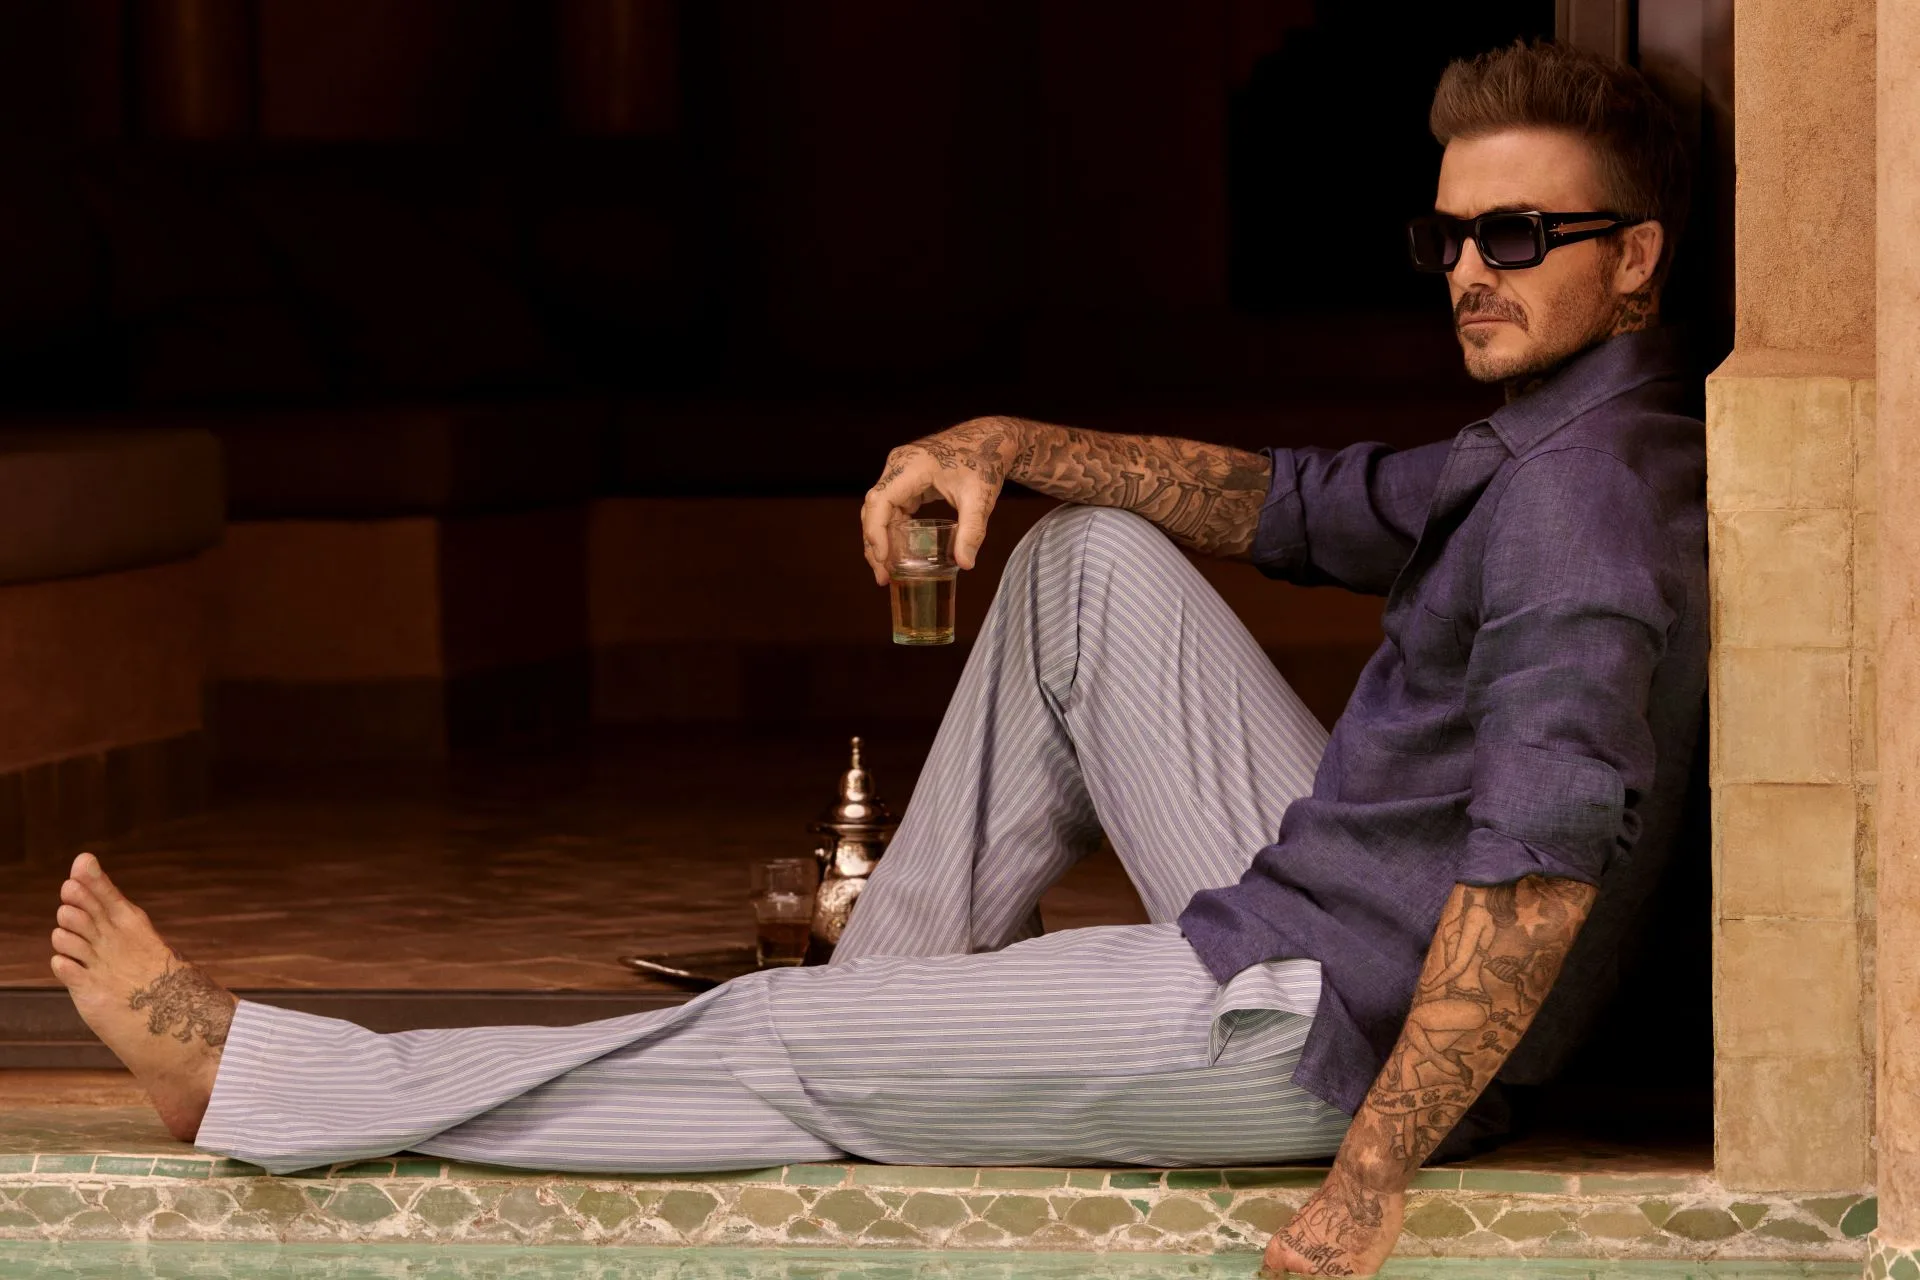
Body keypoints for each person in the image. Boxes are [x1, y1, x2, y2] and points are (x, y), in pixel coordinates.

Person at [47, 40, 1701, 1277]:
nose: (1470, 274)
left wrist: (1370, 1178)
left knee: (775, 1044)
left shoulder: (1582, 518)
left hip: (1314, 1035)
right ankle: (887, 1026)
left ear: (1634, 257)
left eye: (1519, 237)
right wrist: (1002, 441)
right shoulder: (1558, 440)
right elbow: (1286, 502)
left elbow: (1536, 883)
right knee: (1084, 566)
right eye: (1449, 240)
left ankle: (259, 1078)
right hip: (1326, 919)